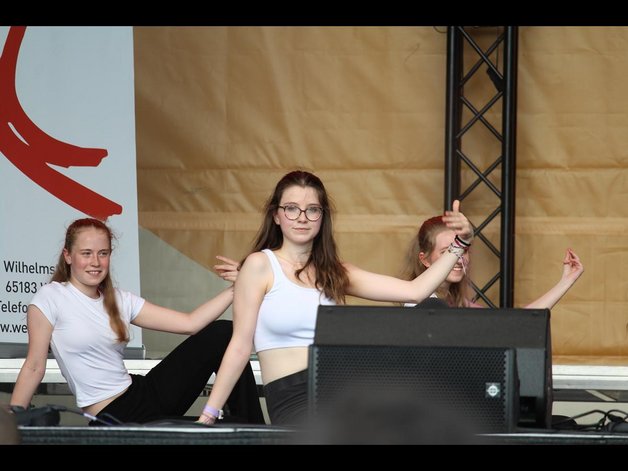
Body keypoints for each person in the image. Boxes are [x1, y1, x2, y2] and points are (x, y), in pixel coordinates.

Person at [197, 170, 474, 426]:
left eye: (312, 209)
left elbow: (415, 291)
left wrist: (460, 244)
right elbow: (240, 346)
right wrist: (209, 413)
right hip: (294, 398)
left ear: (322, 216)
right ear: (276, 216)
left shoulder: (336, 272)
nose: (302, 217)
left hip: (344, 389)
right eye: (291, 208)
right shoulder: (259, 266)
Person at [10, 218, 264, 425]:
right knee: (216, 432)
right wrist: (12, 421)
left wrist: (243, 284)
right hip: (113, 414)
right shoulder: (52, 297)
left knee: (223, 333)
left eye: (103, 253)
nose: (95, 262)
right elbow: (34, 366)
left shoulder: (120, 299)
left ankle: (256, 431)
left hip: (144, 392)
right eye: (86, 253)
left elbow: (190, 323)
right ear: (68, 256)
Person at [400, 215, 584, 309]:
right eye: (447, 252)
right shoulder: (416, 305)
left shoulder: (461, 305)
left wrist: (565, 282)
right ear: (425, 259)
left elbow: (515, 326)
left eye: (464, 250)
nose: (457, 258)